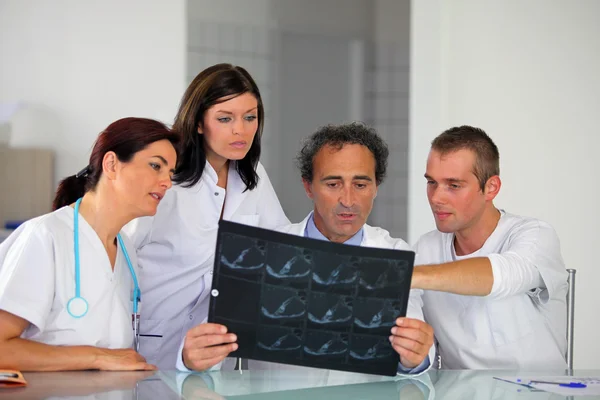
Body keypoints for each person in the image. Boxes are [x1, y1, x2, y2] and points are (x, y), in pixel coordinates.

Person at [181, 123, 435, 378]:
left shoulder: (395, 255)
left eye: (360, 185)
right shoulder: (264, 252)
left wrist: (415, 358)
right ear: (308, 186)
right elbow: (216, 339)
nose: (348, 200)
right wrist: (193, 356)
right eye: (333, 184)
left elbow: (414, 357)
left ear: (376, 187)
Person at [124, 64, 289, 370]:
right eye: (225, 118)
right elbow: (119, 256)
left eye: (250, 117)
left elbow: (280, 249)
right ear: (199, 122)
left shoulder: (253, 177)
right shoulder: (166, 179)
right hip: (151, 344)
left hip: (213, 354)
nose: (240, 129)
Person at [0, 117, 178, 371]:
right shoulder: (44, 236)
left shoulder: (126, 251)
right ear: (112, 164)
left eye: (170, 173)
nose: (167, 182)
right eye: (155, 166)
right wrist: (96, 357)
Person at [412, 125, 567, 369]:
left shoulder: (535, 235)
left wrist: (408, 274)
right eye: (432, 182)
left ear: (491, 188)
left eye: (453, 185)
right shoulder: (426, 248)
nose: (436, 198)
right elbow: (422, 351)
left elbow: (503, 274)